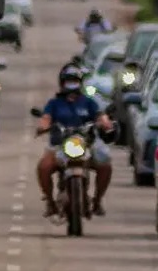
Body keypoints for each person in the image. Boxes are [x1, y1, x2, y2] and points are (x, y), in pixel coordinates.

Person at [36, 66, 116, 218]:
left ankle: (98, 201)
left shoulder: (88, 102)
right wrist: (43, 126)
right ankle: (51, 203)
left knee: (105, 164)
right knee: (43, 167)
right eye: (68, 81)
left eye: (75, 81)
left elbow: (100, 116)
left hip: (86, 144)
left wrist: (105, 123)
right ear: (62, 83)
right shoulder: (54, 103)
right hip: (59, 144)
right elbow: (46, 118)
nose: (72, 85)